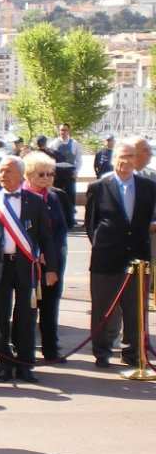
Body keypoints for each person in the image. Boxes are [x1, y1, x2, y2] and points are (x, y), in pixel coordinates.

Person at [0, 155, 58, 384]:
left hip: (26, 267)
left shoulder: (36, 202)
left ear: (21, 175)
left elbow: (46, 238)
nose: (3, 175)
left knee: (26, 317)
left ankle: (25, 365)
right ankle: (3, 365)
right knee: (0, 319)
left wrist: (51, 268)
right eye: (1, 171)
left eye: (9, 171)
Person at [85, 142, 156, 369]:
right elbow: (90, 224)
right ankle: (102, 351)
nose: (125, 161)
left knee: (135, 308)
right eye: (121, 157)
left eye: (130, 157)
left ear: (137, 160)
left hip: (137, 256)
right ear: (114, 158)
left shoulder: (148, 186)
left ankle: (133, 352)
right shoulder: (98, 187)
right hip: (106, 257)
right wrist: (101, 244)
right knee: (103, 307)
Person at [22, 151, 70, 361]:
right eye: (42, 174)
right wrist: (36, 252)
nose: (47, 179)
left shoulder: (53, 196)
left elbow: (61, 229)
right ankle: (24, 350)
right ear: (29, 175)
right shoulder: (20, 197)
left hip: (51, 261)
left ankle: (50, 348)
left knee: (50, 306)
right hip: (26, 260)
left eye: (51, 174)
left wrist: (49, 254)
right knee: (26, 306)